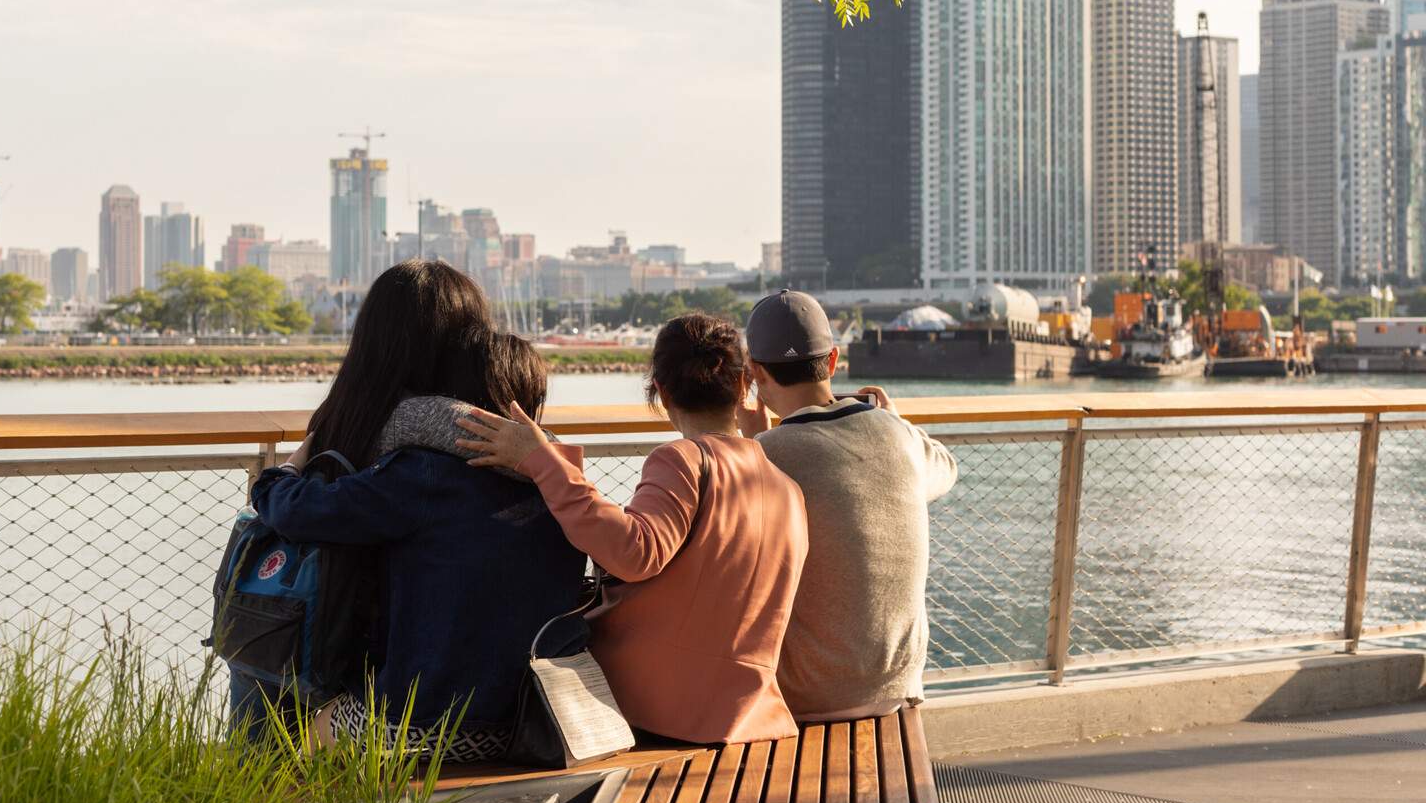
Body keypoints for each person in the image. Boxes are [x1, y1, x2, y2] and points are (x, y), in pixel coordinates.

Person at [249, 264, 584, 761]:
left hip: (419, 726)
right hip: (531, 722)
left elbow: (296, 511)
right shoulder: (561, 483)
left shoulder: (421, 474)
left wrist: (281, 473)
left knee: (289, 748)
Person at [458, 312, 808, 745]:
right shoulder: (787, 488)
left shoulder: (684, 460)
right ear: (742, 386)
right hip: (751, 714)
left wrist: (541, 459)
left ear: (660, 392)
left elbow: (635, 552)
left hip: (659, 710)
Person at [738, 290, 958, 722]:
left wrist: (751, 439)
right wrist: (893, 420)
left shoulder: (766, 454)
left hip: (806, 697)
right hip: (899, 687)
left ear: (755, 375)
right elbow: (945, 469)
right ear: (834, 360)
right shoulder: (898, 436)